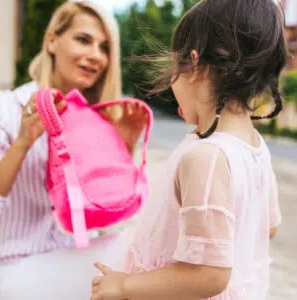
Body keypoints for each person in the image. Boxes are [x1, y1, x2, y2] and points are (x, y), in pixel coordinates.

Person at [91, 0, 286, 299]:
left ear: (194, 64)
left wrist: (123, 285)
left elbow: (208, 275)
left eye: (174, 67)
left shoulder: (207, 157)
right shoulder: (254, 147)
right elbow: (267, 227)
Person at [0, 1, 147, 299]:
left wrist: (123, 148)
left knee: (147, 246)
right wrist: (23, 142)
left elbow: (107, 216)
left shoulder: (95, 119)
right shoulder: (7, 108)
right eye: (83, 40)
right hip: (14, 268)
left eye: (104, 47)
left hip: (73, 258)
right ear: (52, 40)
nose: (95, 56)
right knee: (143, 258)